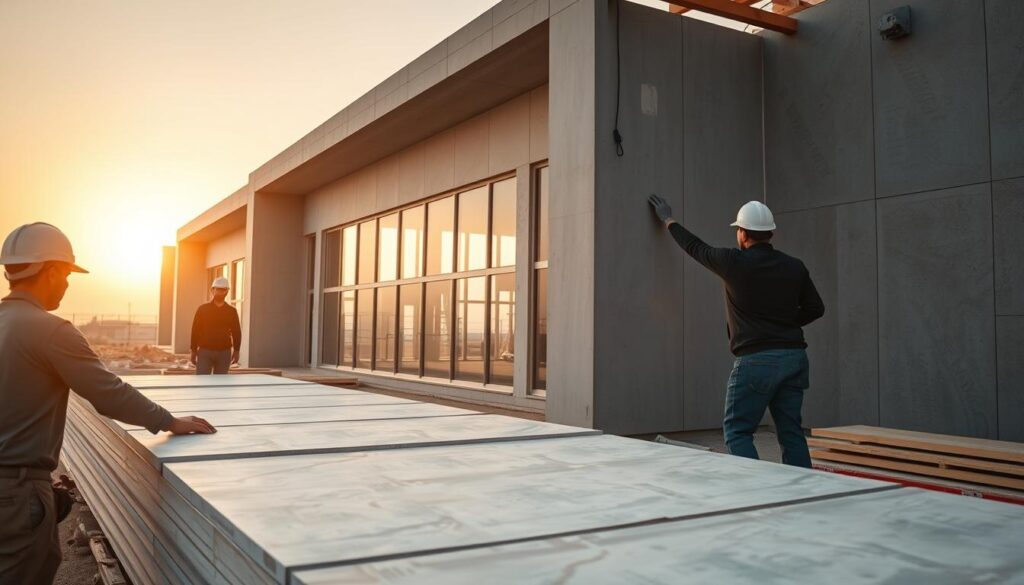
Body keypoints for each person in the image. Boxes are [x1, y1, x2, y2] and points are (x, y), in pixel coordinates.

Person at [0, 222, 216, 584]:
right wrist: (169, 421)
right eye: (67, 274)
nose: (68, 284)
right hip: (15, 492)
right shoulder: (51, 330)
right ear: (51, 271)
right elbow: (108, 392)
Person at [648, 196, 825, 467]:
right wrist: (785, 324)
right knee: (791, 433)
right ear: (770, 233)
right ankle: (805, 497)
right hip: (794, 358)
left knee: (738, 432)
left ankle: (754, 493)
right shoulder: (794, 266)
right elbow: (816, 308)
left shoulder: (733, 262)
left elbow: (695, 247)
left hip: (756, 361)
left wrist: (668, 220)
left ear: (742, 233)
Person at [190, 276, 241, 375]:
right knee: (202, 382)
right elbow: (195, 330)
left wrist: (236, 350)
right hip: (205, 351)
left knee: (220, 385)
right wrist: (193, 350)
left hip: (224, 352)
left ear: (227, 291)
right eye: (218, 289)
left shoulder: (231, 311)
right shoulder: (202, 309)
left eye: (223, 290)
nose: (221, 292)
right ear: (212, 290)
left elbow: (236, 332)